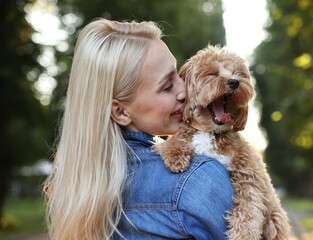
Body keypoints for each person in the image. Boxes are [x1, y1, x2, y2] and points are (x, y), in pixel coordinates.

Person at [43, 18, 234, 240]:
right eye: (167, 86)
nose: (184, 90)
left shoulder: (78, 195)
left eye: (177, 75)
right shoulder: (196, 179)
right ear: (121, 112)